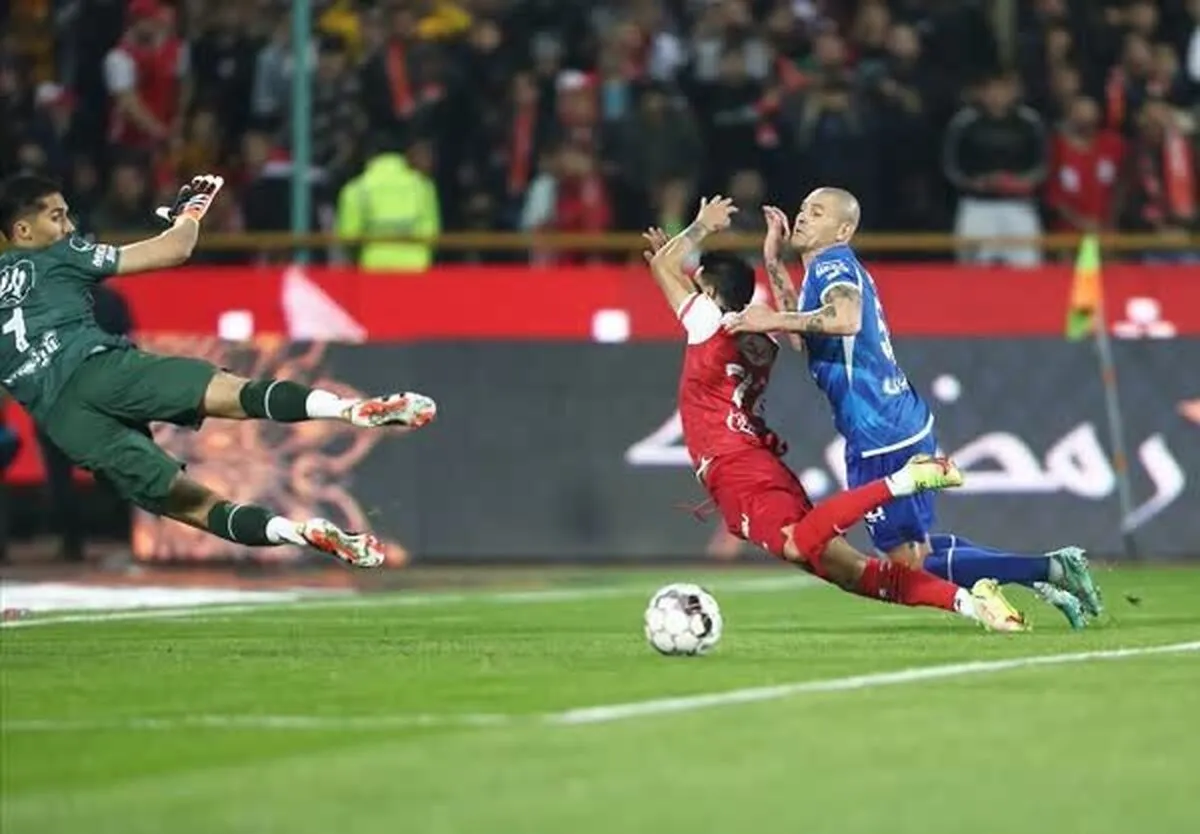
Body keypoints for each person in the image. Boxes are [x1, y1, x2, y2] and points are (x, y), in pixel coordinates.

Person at [0, 173, 437, 567]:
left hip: (65, 420)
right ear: (23, 231)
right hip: (98, 368)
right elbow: (174, 249)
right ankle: (348, 411)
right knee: (232, 393)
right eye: (57, 217)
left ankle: (297, 532)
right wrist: (188, 215)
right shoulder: (57, 255)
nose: (68, 227)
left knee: (193, 506)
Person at [723, 188, 1104, 627]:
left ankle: (1047, 569)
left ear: (843, 230)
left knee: (908, 564)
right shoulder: (819, 272)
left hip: (880, 429)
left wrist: (769, 318)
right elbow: (801, 337)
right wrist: (773, 260)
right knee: (914, 550)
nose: (803, 217)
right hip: (893, 420)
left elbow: (846, 319)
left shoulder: (833, 265)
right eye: (804, 208)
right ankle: (1048, 569)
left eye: (817, 212)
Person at [643, 195, 1025, 632]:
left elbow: (665, 268)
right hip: (753, 459)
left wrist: (700, 226)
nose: (803, 215)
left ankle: (905, 479)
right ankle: (973, 604)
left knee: (798, 546)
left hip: (737, 463)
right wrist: (772, 262)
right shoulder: (757, 339)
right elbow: (792, 325)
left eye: (696, 286)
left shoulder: (712, 322)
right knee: (851, 571)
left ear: (709, 293)